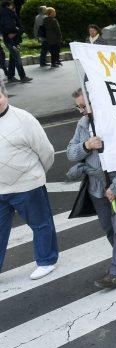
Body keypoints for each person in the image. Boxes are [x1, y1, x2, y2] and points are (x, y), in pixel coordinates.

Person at [67, 88, 116, 289]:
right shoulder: (83, 125)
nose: (83, 111)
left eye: (85, 106)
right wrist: (86, 145)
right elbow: (70, 154)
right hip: (96, 188)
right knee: (109, 228)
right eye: (79, 107)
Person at [0, 80, 58, 280]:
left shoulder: (23, 118)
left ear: (5, 95)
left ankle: (46, 260)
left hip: (27, 185)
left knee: (40, 224)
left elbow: (46, 152)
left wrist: (37, 175)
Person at [0, 1, 32, 83]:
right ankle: (23, 77)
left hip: (10, 39)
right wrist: (15, 31)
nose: (12, 7)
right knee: (17, 58)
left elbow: (18, 27)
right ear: (8, 6)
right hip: (11, 39)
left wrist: (15, 32)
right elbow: (13, 26)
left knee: (13, 58)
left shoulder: (7, 14)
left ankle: (10, 76)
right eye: (11, 5)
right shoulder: (7, 14)